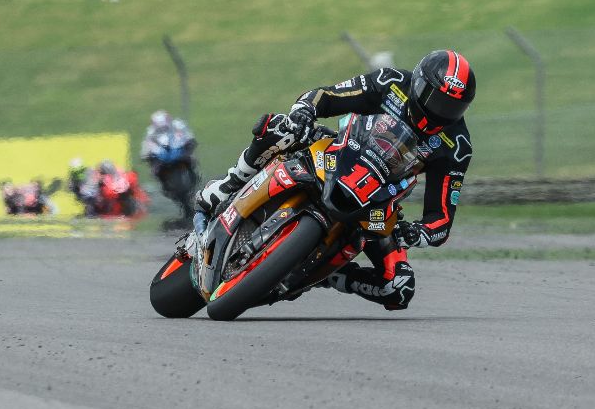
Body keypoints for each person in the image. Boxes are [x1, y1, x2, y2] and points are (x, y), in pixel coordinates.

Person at [194, 50, 477, 311]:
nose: (440, 111)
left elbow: (440, 219)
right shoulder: (389, 82)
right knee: (281, 126)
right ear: (418, 84)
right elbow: (325, 96)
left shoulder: (456, 145)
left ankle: (326, 275)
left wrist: (419, 233)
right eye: (436, 100)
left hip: (376, 203)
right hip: (338, 152)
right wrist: (304, 111)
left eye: (452, 107)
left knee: (398, 288)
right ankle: (230, 184)